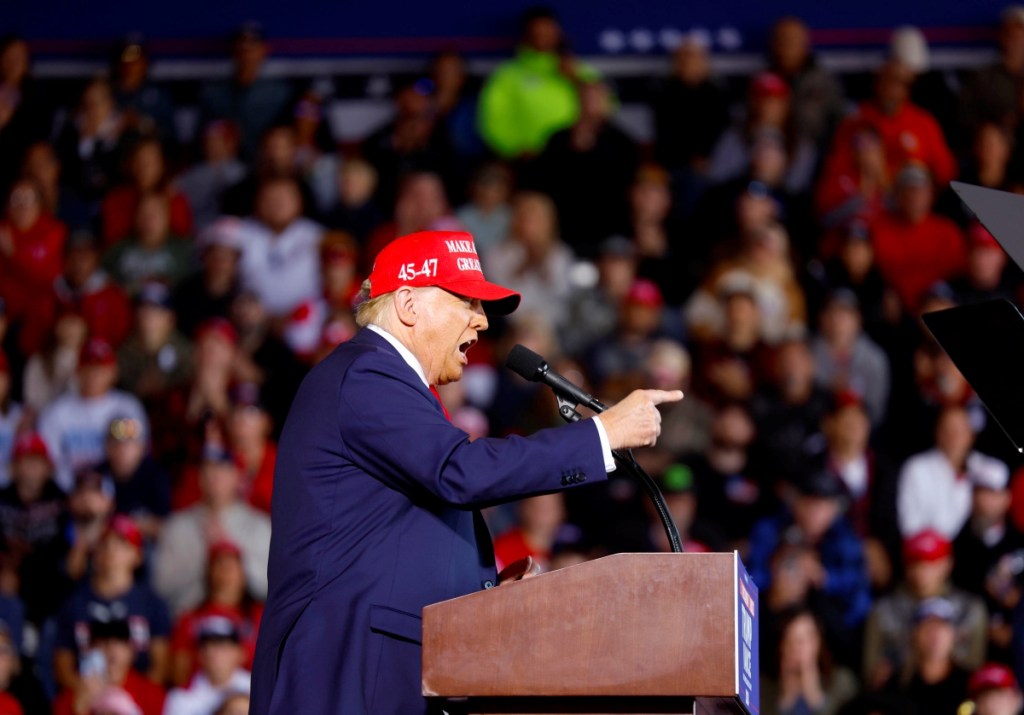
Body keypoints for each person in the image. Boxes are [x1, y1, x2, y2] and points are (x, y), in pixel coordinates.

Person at [250, 229, 681, 714]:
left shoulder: (389, 385)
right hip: (345, 672)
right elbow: (460, 472)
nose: (480, 322)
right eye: (466, 301)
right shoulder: (366, 373)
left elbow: (391, 542)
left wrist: (489, 601)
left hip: (379, 671)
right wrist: (600, 434)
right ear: (409, 305)